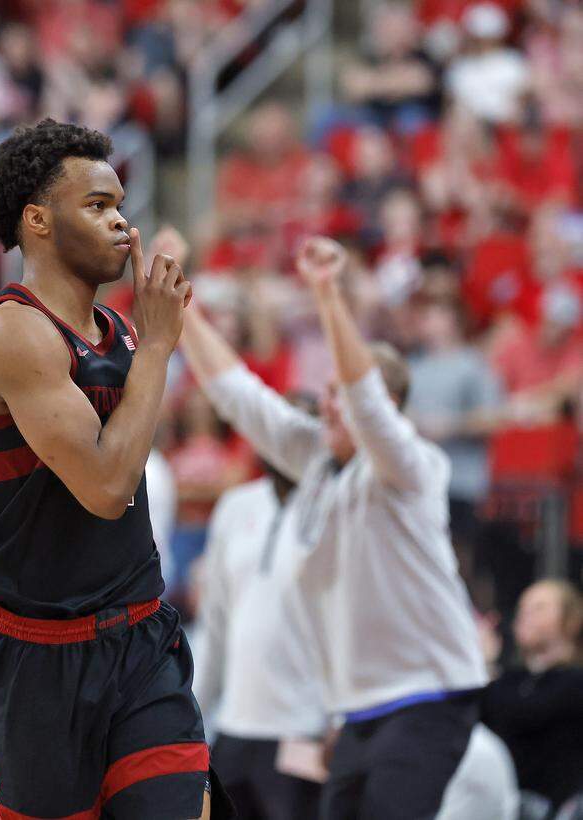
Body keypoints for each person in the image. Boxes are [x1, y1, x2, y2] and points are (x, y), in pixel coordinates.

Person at [0, 119, 222, 819]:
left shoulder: (123, 332)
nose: (122, 225)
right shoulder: (12, 333)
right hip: (37, 663)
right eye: (98, 206)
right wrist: (161, 350)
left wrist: (151, 344)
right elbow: (107, 487)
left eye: (120, 205)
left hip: (138, 641)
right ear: (38, 221)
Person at [179, 236, 487, 819]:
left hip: (430, 694)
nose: (327, 405)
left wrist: (327, 295)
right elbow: (239, 395)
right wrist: (180, 308)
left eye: (337, 393)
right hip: (358, 709)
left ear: (391, 404)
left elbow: (367, 403)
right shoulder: (319, 462)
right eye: (324, 393)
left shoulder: (412, 465)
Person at [194, 401, 326, 820]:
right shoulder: (235, 506)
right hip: (234, 725)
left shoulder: (336, 509)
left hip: (303, 728)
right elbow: (215, 622)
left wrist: (337, 721)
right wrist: (194, 718)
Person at [482, 579, 583, 811]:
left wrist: (484, 668)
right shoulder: (512, 680)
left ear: (571, 620)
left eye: (539, 608)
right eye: (522, 608)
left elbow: (528, 712)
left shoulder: (575, 682)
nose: (525, 615)